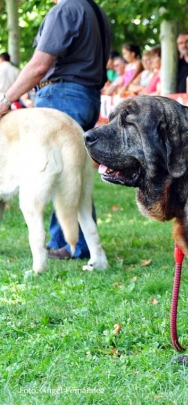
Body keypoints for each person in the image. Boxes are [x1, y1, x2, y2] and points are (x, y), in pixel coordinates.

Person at [0, 0, 111, 261]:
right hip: (87, 95)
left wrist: (6, 100)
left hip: (62, 94)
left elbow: (39, 65)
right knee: (73, 171)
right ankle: (77, 245)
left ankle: (69, 246)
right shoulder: (95, 10)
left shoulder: (65, 9)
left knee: (58, 170)